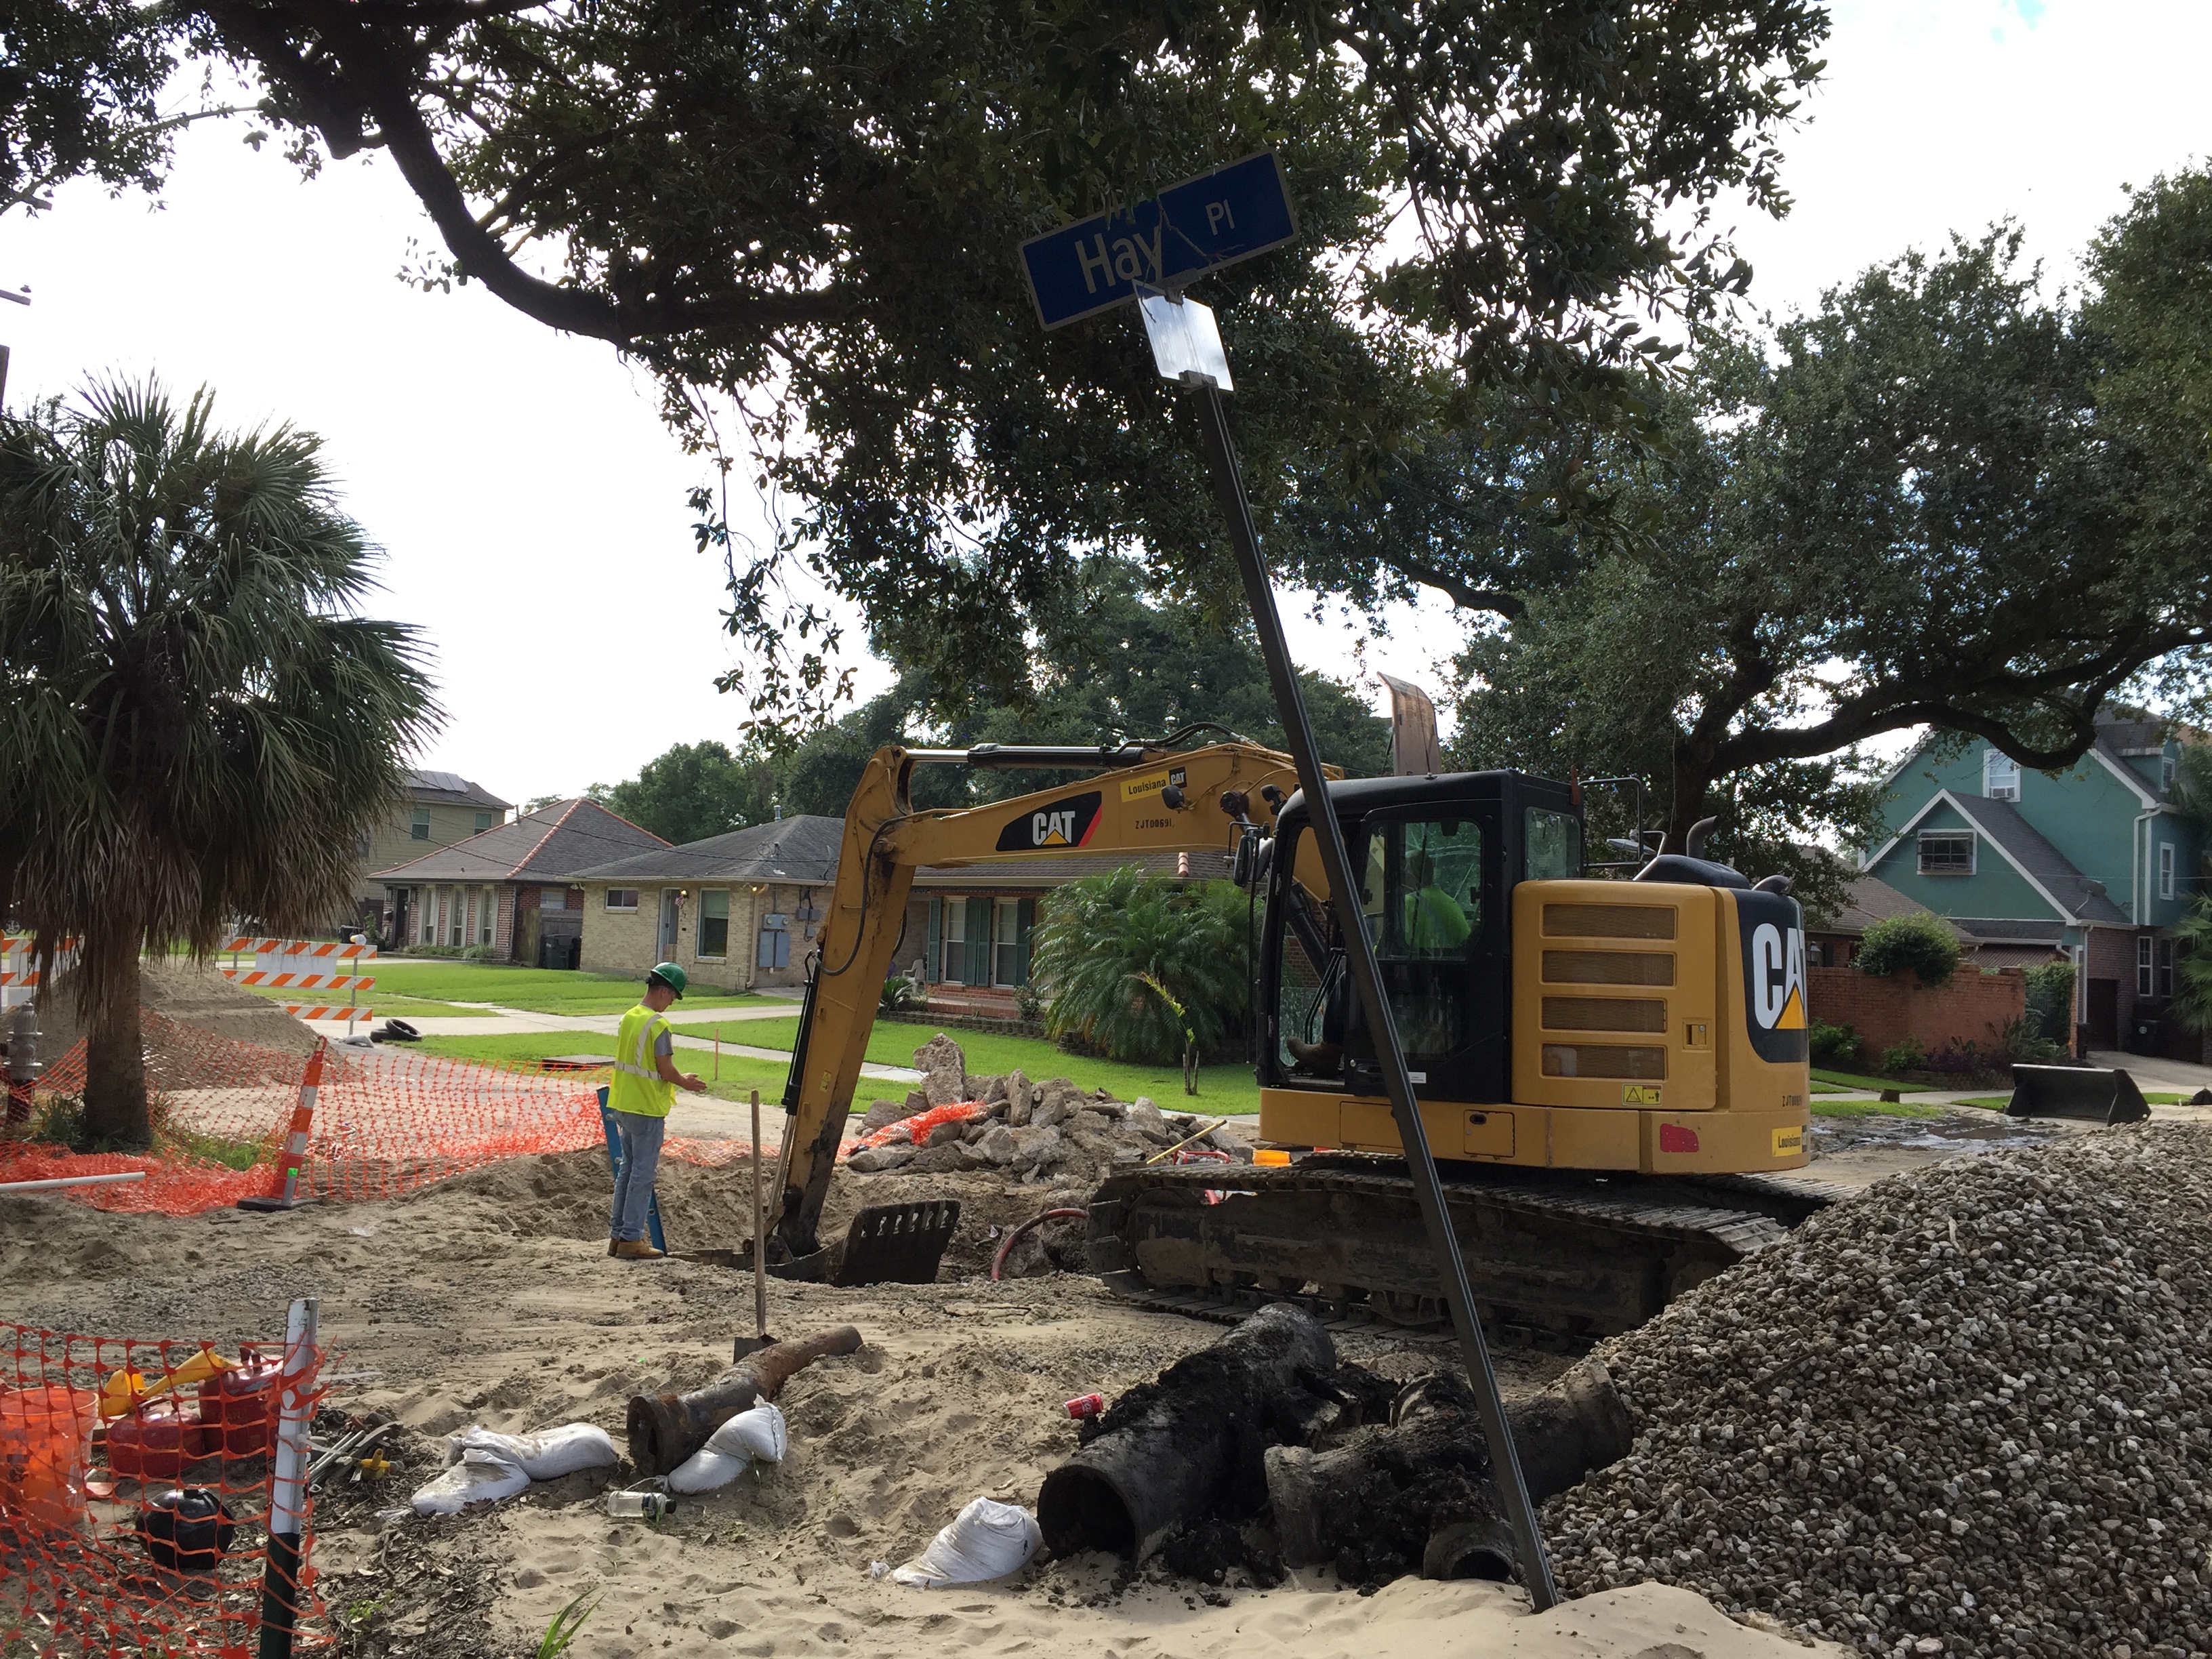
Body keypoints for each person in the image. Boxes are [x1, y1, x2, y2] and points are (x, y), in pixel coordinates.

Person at [607, 962, 709, 1261]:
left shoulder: (630, 1017)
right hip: (647, 1106)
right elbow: (664, 1068)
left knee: (627, 1170)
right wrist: (685, 1082)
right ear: (664, 991)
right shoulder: (658, 1024)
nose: (671, 1004)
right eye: (673, 998)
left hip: (624, 1102)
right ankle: (631, 1239)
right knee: (642, 1173)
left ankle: (618, 1235)